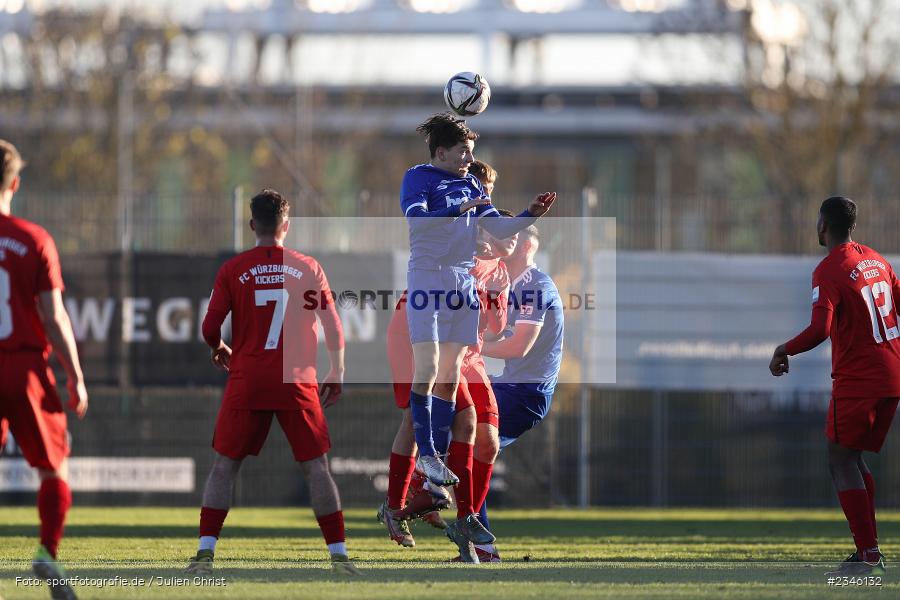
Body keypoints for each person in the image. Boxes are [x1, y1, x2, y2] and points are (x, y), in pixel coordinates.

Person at [187, 189, 360, 576]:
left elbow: (209, 328)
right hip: (297, 381)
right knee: (316, 468)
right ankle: (339, 557)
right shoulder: (308, 267)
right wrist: (338, 371)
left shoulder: (233, 269)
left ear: (252, 225)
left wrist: (219, 347)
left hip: (247, 378)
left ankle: (204, 555)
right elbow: (333, 326)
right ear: (287, 225)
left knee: (224, 467)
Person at [401, 113, 555, 549]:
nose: (470, 158)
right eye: (463, 151)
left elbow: (498, 228)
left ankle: (438, 466)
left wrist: (528, 214)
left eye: (472, 151)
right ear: (441, 152)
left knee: (448, 374)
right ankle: (428, 456)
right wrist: (460, 209)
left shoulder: (472, 185)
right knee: (428, 367)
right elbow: (420, 223)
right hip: (429, 280)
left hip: (463, 286)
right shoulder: (417, 178)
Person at [380, 162, 513, 564]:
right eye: (476, 190)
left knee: (486, 437)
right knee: (417, 421)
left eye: (485, 191)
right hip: (417, 327)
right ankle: (400, 502)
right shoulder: (456, 234)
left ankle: (462, 518)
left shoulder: (498, 265)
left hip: (466, 351)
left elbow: (493, 327)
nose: (480, 197)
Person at [770, 196, 900, 577]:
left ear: (822, 226)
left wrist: (783, 349)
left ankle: (868, 554)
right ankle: (869, 550)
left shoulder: (828, 271)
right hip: (891, 375)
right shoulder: (877, 260)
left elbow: (819, 330)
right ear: (852, 227)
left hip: (859, 379)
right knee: (853, 458)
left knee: (840, 460)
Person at [0, 139, 89, 600]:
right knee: (54, 469)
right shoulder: (33, 239)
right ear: (15, 183)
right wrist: (74, 374)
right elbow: (53, 315)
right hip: (24, 369)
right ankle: (47, 553)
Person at [479, 223, 564, 562]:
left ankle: (424, 490)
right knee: (466, 454)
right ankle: (482, 548)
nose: (501, 239)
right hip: (509, 387)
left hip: (526, 393)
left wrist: (472, 347)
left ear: (528, 245)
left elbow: (518, 346)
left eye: (512, 234)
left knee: (465, 449)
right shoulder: (503, 283)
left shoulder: (535, 285)